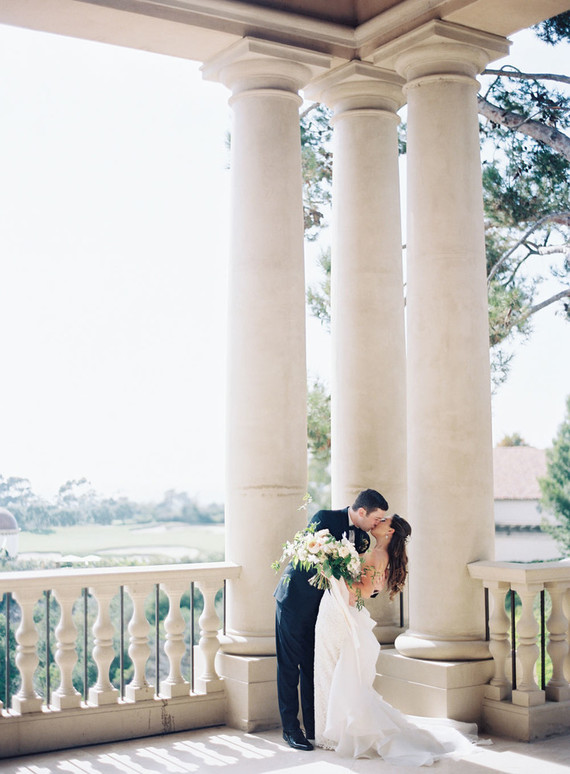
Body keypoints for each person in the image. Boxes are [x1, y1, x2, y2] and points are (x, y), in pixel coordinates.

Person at [314, 514, 485, 766]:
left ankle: (334, 733)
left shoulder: (378, 556)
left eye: (384, 520)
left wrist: (334, 572)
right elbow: (368, 589)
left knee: (332, 669)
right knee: (333, 670)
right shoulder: (376, 553)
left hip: (343, 612)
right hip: (340, 610)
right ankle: (332, 730)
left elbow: (359, 592)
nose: (378, 521)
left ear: (390, 531)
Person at [274, 488, 389, 751]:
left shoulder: (362, 538)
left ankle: (316, 726)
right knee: (290, 666)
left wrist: (372, 587)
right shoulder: (324, 518)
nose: (377, 524)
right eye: (375, 519)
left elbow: (354, 581)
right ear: (362, 512)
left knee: (314, 666)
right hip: (294, 600)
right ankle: (291, 729)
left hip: (325, 609)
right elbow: (308, 557)